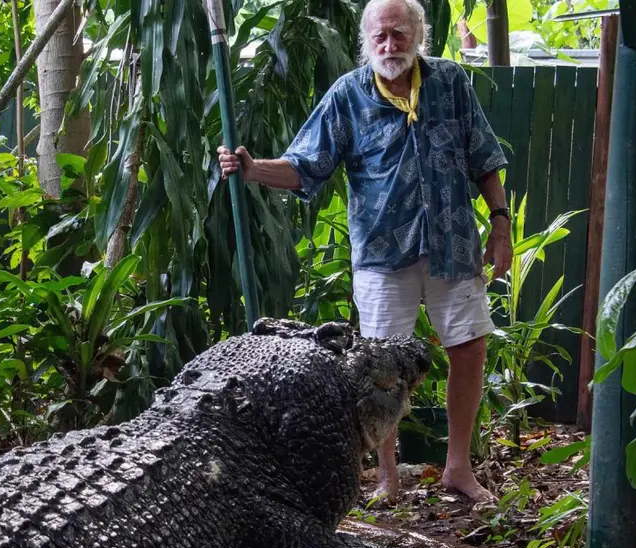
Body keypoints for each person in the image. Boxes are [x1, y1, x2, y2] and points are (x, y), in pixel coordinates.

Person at [217, 0, 511, 505]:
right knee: (380, 368)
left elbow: (483, 157)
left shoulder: (450, 83)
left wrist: (500, 223)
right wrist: (253, 169)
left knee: (469, 347)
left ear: (419, 34)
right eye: (380, 36)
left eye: (399, 34)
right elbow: (305, 165)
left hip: (453, 244)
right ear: (366, 41)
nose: (389, 45)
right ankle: (386, 476)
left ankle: (458, 468)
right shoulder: (347, 95)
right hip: (382, 252)